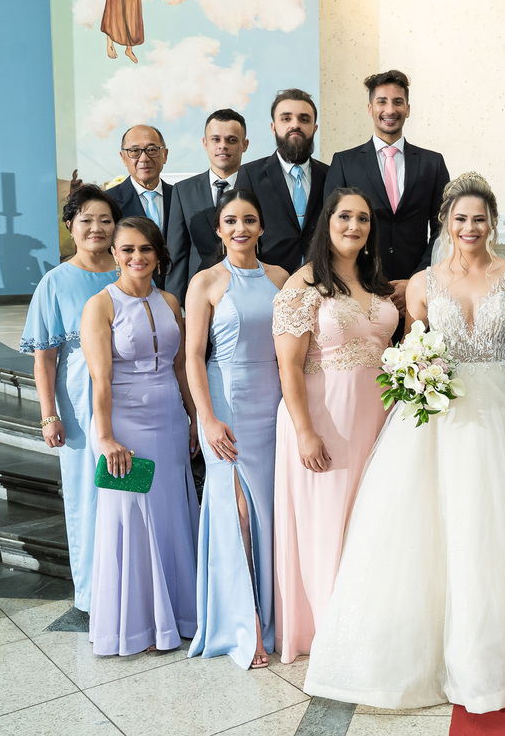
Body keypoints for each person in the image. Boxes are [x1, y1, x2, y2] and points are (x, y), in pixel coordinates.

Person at [305, 173, 505, 712]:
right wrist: (416, 376)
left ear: (492, 223)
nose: (470, 227)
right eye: (460, 218)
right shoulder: (422, 283)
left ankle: (494, 653)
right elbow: (414, 344)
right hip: (438, 413)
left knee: (494, 527)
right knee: (426, 528)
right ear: (445, 223)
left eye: (479, 218)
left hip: (498, 410)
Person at [271, 188, 399, 664]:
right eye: (345, 216)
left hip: (376, 419)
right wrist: (305, 430)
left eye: (363, 219)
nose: (354, 226)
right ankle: (327, 631)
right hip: (323, 419)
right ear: (327, 223)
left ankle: (364, 620)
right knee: (326, 522)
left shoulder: (378, 285)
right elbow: (288, 366)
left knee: (367, 522)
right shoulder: (302, 287)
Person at [80, 217, 200, 655]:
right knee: (131, 517)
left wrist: (193, 418)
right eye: (127, 249)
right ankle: (133, 626)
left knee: (170, 513)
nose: (137, 257)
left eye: (145, 249)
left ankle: (179, 616)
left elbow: (181, 366)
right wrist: (106, 437)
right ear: (114, 254)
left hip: (169, 422)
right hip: (123, 427)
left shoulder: (169, 300)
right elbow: (100, 380)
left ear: (158, 253)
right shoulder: (100, 305)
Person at [185, 190, 288, 669]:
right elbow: (191, 357)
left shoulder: (281, 278)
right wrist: (205, 416)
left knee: (269, 512)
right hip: (226, 406)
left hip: (274, 407)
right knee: (239, 514)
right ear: (219, 230)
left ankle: (275, 615)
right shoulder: (205, 281)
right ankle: (245, 623)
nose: (241, 228)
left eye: (250, 219)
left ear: (262, 227)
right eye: (231, 221)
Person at [20, 185, 120, 612]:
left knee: (129, 485)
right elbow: (44, 358)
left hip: (133, 392)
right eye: (86, 220)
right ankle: (97, 595)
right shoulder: (55, 281)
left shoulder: (129, 269)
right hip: (79, 400)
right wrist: (49, 415)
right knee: (88, 492)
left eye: (105, 220)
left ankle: (132, 580)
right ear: (70, 227)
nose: (97, 228)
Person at [322, 70, 451, 318]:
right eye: (382, 101)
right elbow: (332, 228)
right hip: (358, 289)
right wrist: (361, 280)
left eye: (397, 102)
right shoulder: (344, 163)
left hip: (418, 294)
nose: (390, 109)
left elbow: (442, 229)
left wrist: (416, 280)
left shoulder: (432, 163)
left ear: (408, 109)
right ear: (370, 108)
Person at [236, 89, 330, 272]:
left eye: (304, 119)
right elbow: (241, 233)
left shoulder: (330, 174)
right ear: (273, 127)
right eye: (286, 119)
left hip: (322, 282)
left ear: (315, 128)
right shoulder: (250, 174)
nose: (295, 125)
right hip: (268, 282)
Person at [165, 109, 250, 304]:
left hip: (246, 294)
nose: (223, 146)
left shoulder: (258, 188)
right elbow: (176, 255)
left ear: (245, 145)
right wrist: (177, 307)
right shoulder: (183, 191)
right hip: (198, 297)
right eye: (216, 139)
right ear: (205, 143)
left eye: (231, 140)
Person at [108, 125, 173, 239]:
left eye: (152, 150)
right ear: (123, 158)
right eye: (134, 151)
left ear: (165, 155)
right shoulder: (108, 201)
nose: (144, 158)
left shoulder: (180, 197)